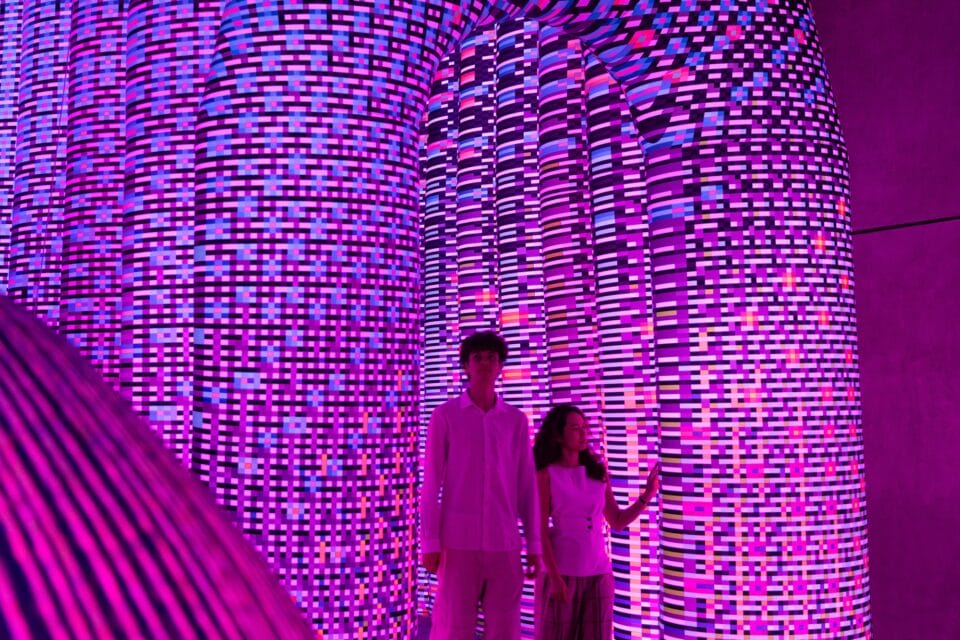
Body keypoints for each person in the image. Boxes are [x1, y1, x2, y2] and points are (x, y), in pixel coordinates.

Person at [421, 330, 542, 639]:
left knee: (505, 627)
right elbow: (431, 482)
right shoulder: (445, 416)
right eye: (478, 357)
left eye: (491, 357)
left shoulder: (515, 421)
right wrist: (430, 542)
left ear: (500, 365)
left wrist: (535, 543)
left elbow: (526, 486)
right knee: (453, 626)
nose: (485, 363)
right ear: (466, 365)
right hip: (457, 541)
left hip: (504, 541)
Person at [533, 404, 660, 640]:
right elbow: (539, 530)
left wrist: (646, 496)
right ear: (558, 435)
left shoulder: (597, 472)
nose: (583, 433)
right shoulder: (546, 474)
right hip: (562, 570)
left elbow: (617, 521)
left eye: (584, 427)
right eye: (575, 428)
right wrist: (554, 578)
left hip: (598, 571)